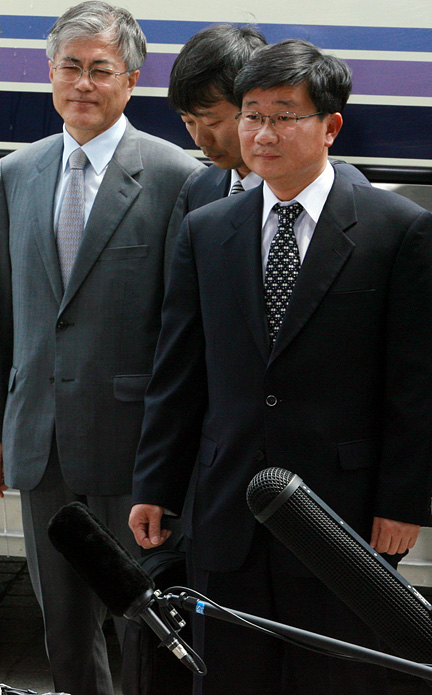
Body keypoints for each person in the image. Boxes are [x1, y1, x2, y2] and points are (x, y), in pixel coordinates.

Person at [130, 39, 432, 695]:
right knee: (229, 675)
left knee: (337, 679)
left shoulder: (397, 229)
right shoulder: (208, 228)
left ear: (331, 126)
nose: (263, 133)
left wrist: (403, 502)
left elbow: (415, 387)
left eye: (284, 116)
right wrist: (155, 483)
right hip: (226, 511)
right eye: (252, 115)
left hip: (342, 517)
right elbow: (179, 372)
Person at [0, 2, 201, 692]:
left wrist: (175, 450)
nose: (82, 83)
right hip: (40, 439)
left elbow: (184, 329)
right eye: (69, 67)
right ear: (50, 73)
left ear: (131, 80)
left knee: (144, 625)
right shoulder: (17, 171)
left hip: (134, 444)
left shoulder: (175, 175)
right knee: (63, 629)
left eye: (100, 69)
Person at [168, 23, 367, 211]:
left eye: (213, 122)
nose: (200, 140)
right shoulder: (200, 188)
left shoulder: (349, 193)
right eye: (189, 122)